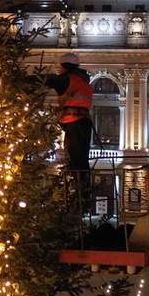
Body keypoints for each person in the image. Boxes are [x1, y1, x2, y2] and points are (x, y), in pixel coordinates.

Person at [44, 53, 94, 194]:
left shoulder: (67, 79)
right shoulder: (83, 80)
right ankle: (83, 191)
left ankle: (77, 190)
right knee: (82, 159)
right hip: (84, 122)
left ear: (63, 67)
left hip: (74, 122)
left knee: (74, 157)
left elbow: (47, 80)